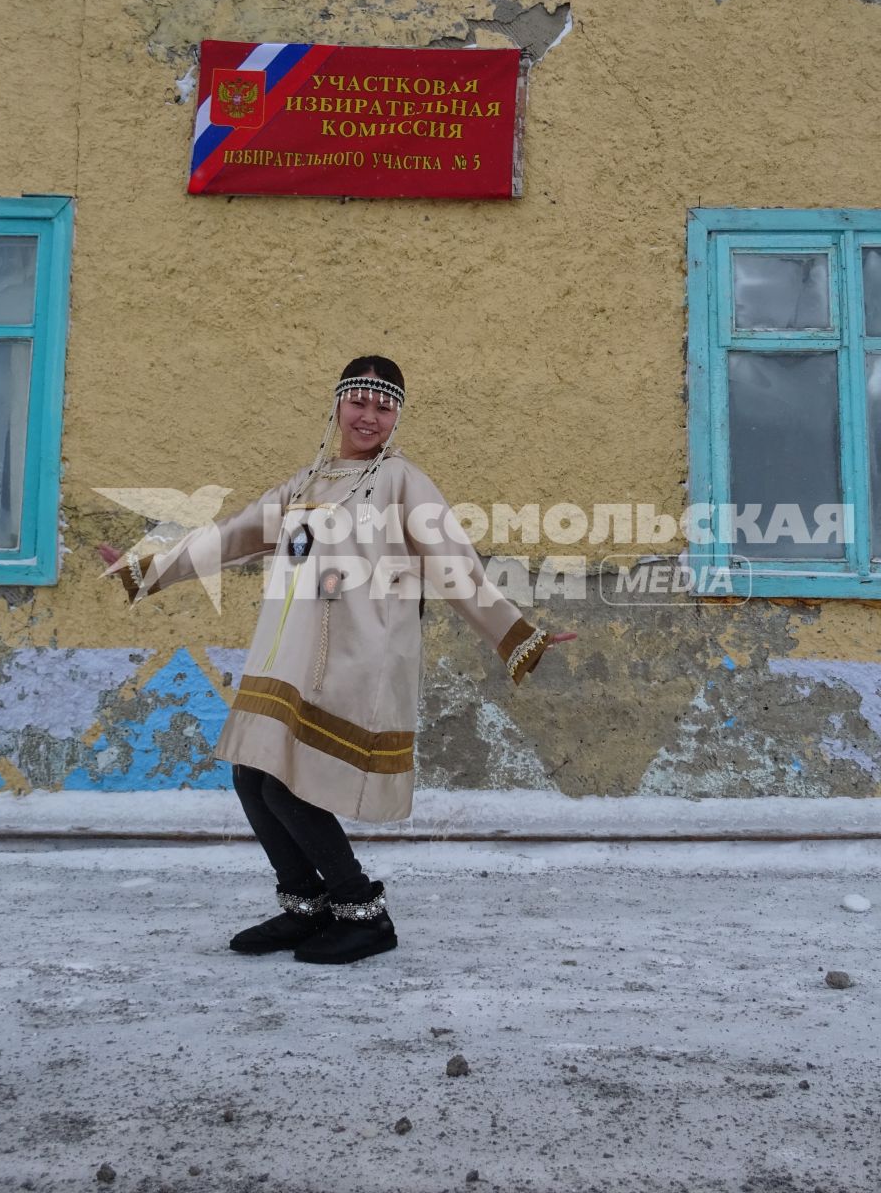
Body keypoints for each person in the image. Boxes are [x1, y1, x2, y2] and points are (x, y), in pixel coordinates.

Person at [97, 356, 574, 965]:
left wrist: (516, 633)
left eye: (384, 406)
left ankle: (362, 912)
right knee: (252, 773)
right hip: (290, 650)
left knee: (289, 784)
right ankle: (307, 905)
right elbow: (235, 534)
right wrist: (146, 570)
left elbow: (455, 565)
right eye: (360, 402)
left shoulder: (402, 482)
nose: (370, 416)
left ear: (396, 415)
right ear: (338, 405)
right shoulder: (306, 483)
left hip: (360, 655)